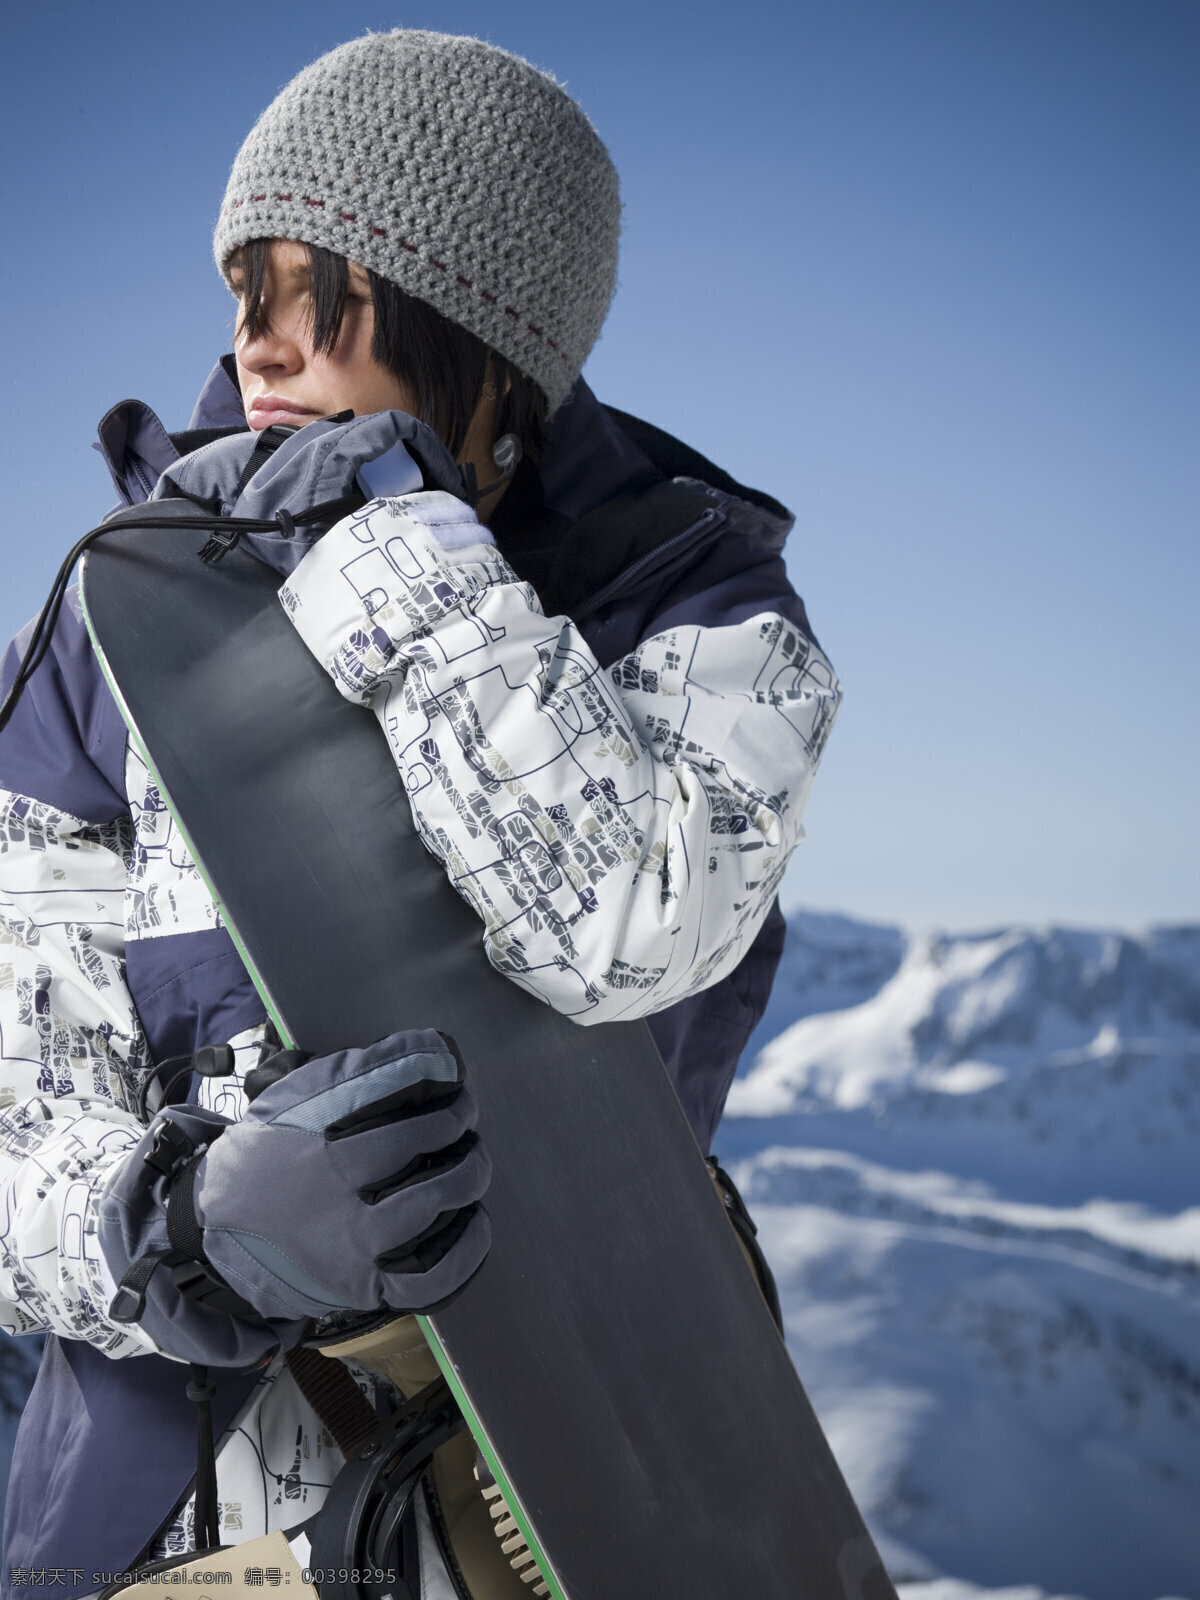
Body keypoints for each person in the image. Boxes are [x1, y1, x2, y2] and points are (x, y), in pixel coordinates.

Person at [0, 29, 841, 1592]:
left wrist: (381, 541)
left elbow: (625, 922)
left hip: (543, 1527)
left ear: (485, 337)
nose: (258, 346)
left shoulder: (702, 622)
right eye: (244, 290)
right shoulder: (104, 639)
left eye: (320, 295)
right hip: (147, 1546)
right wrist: (184, 1231)